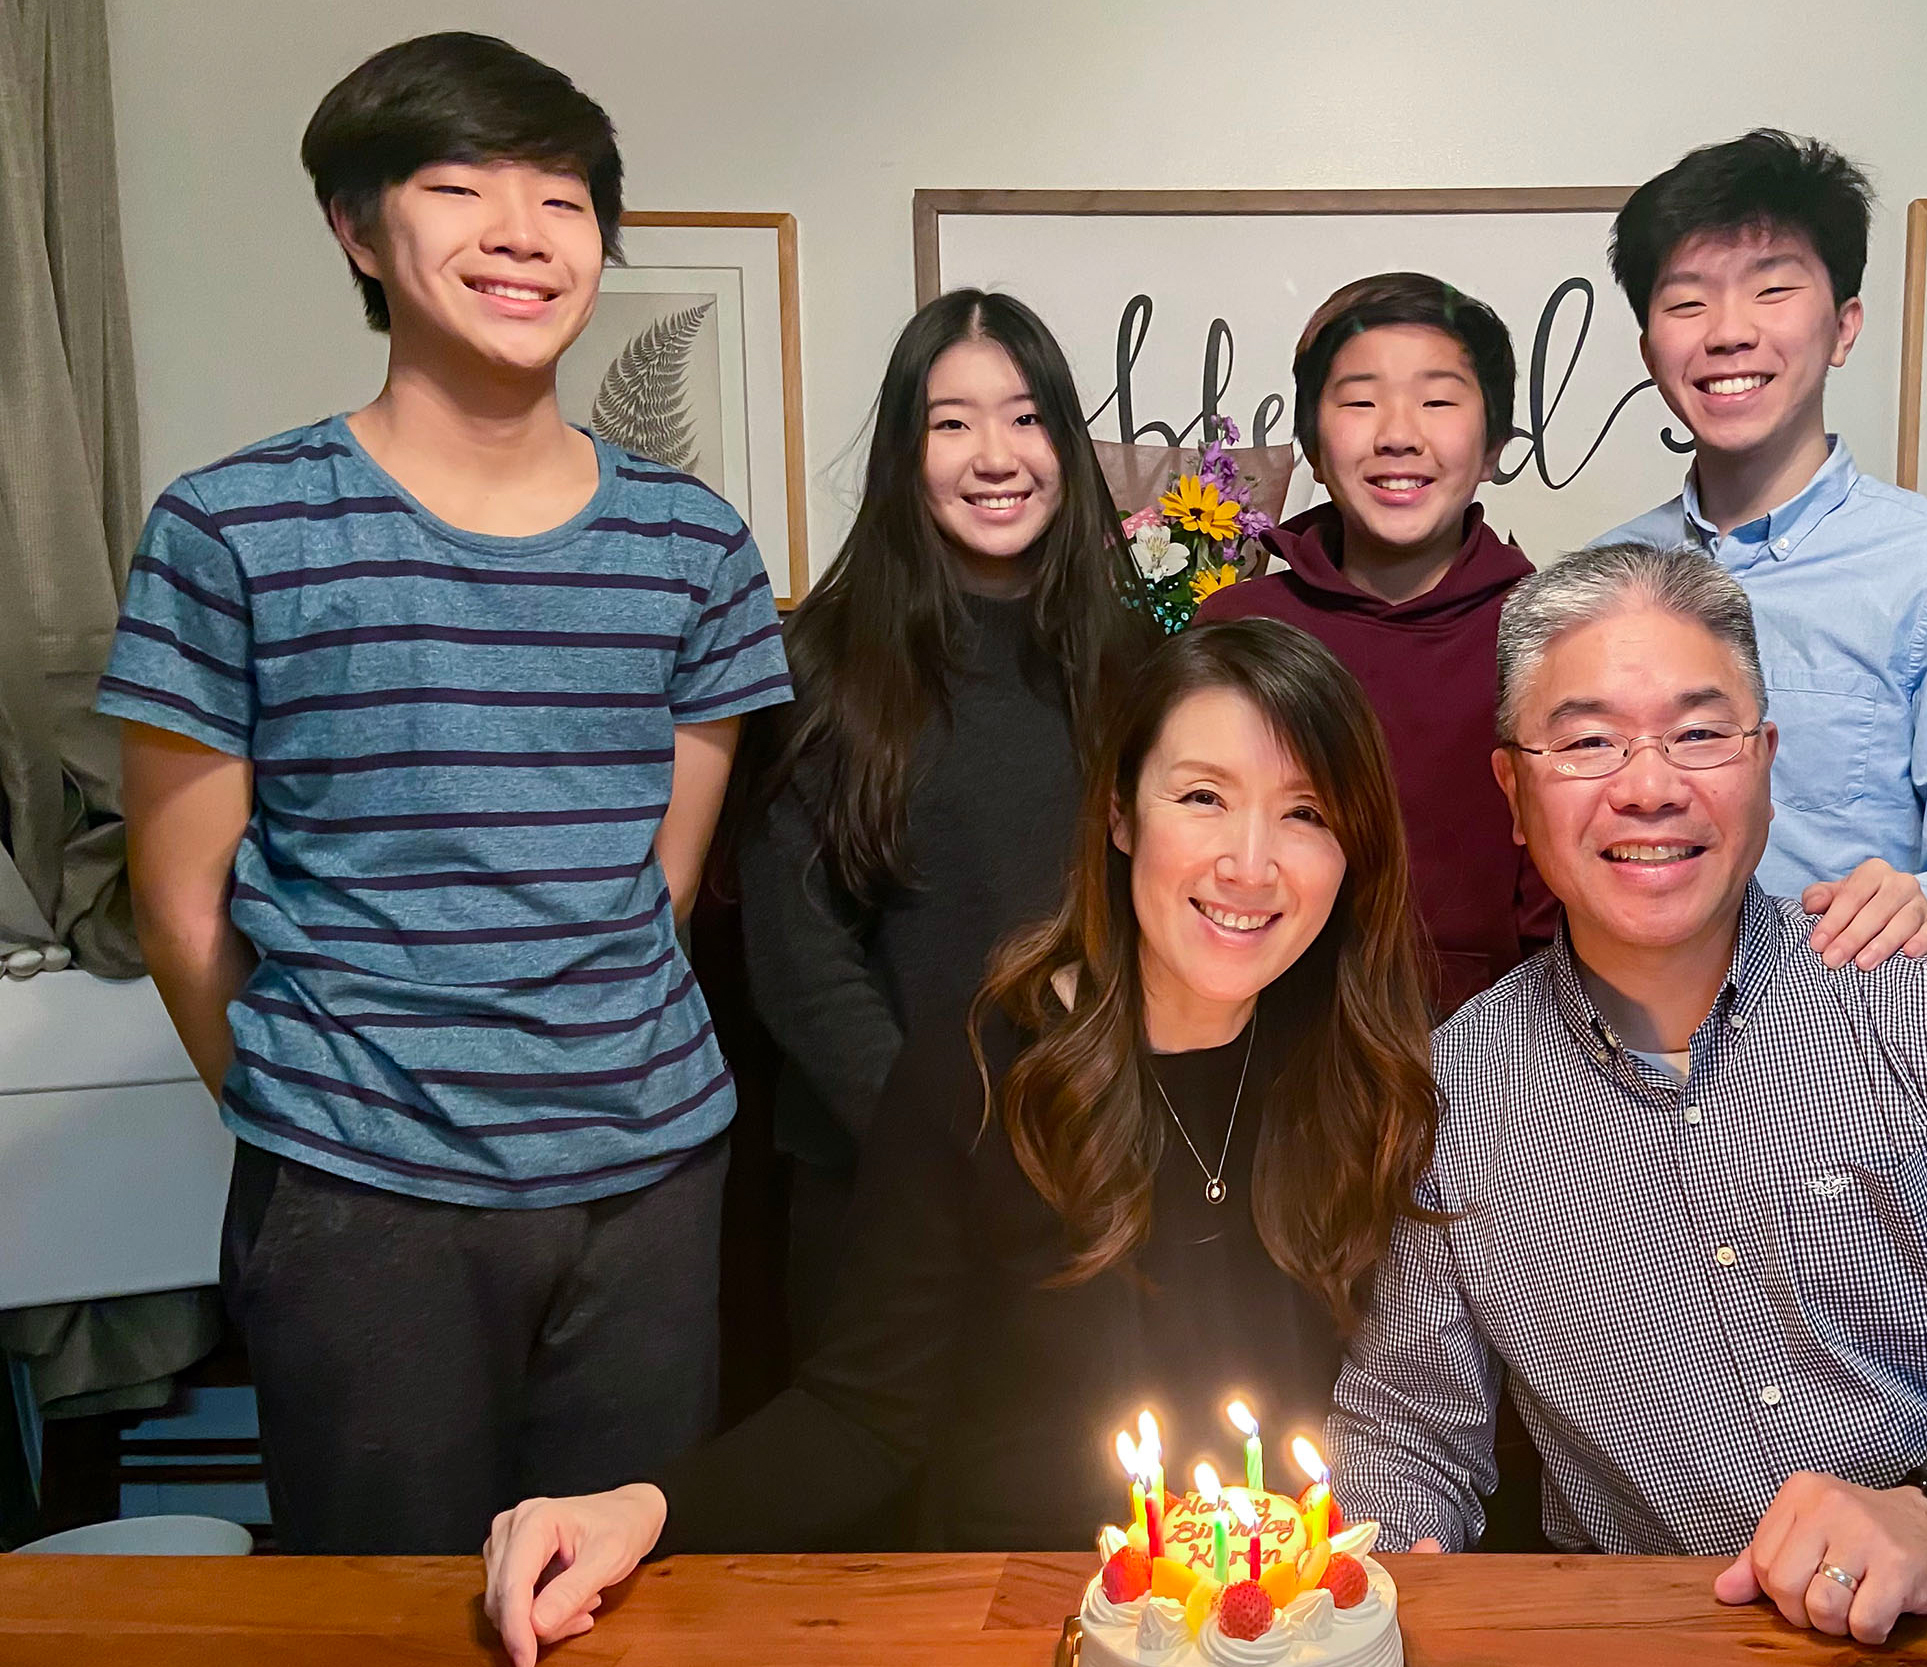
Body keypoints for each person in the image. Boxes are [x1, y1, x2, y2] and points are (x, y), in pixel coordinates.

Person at [98, 34, 791, 1553]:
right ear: (356, 228)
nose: (523, 232)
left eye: (564, 197)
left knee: (632, 1585)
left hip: (652, 1175)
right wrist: (333, 1115)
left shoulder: (693, 545)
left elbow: (661, 882)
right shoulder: (233, 528)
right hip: (361, 1190)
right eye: (461, 186)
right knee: (384, 1603)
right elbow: (177, 908)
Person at [482, 619, 1444, 1664]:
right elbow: (863, 1414)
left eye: (1304, 812)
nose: (1249, 862)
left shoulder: (1366, 1068)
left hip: (1289, 1630)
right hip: (1025, 1618)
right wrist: (643, 1507)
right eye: (1201, 795)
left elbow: (1407, 1400)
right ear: (1119, 813)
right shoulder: (987, 1068)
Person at [1326, 544, 1927, 1645]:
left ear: (1766, 762)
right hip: (1654, 1635)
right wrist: (1347, 1587)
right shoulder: (1455, 1092)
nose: (1648, 784)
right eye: (1588, 740)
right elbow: (1410, 1429)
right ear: (1513, 787)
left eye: (1698, 732)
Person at [735, 289, 1149, 1356]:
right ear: (902, 452)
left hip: (1097, 1181)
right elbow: (801, 956)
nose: (994, 455)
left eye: (1025, 417)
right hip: (880, 1185)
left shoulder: (1133, 662)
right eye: (951, 422)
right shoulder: (822, 664)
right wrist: (945, 1156)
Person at [1598, 130, 1927, 973]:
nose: (1729, 333)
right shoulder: (1602, 575)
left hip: (1858, 1051)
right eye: (1687, 302)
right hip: (1623, 1053)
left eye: (1773, 288)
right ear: (1648, 352)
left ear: (1844, 327)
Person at [1195, 273, 1552, 1013]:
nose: (1397, 433)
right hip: (1263, 1049)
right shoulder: (1237, 632)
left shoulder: (1550, 634)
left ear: (1493, 448)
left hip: (1491, 1062)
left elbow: (1567, 912)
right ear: (1314, 452)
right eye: (1359, 400)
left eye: (1439, 399)